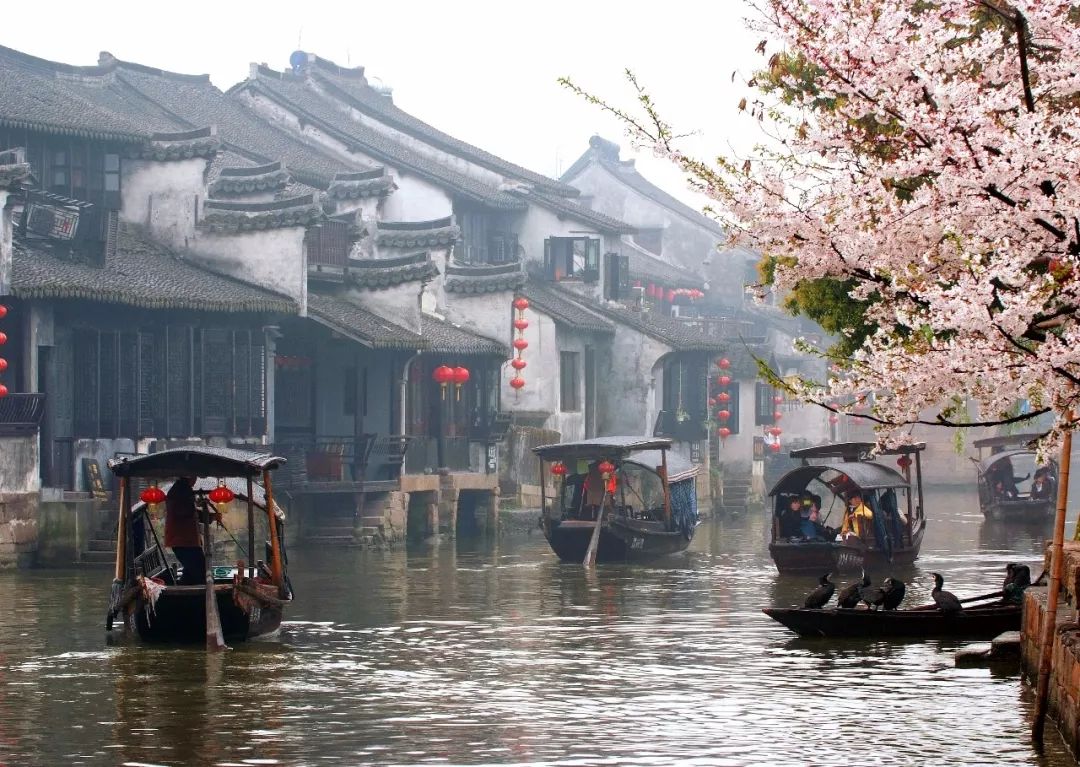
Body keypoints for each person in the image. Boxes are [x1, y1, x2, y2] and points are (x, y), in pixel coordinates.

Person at [164, 476, 221, 585]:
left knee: (193, 570)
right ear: (189, 476)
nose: (195, 480)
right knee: (200, 569)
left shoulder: (183, 490)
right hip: (182, 540)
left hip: (187, 540)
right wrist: (203, 507)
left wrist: (211, 516)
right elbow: (185, 512)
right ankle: (191, 595)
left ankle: (184, 592)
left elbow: (192, 512)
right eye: (194, 476)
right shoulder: (180, 490)